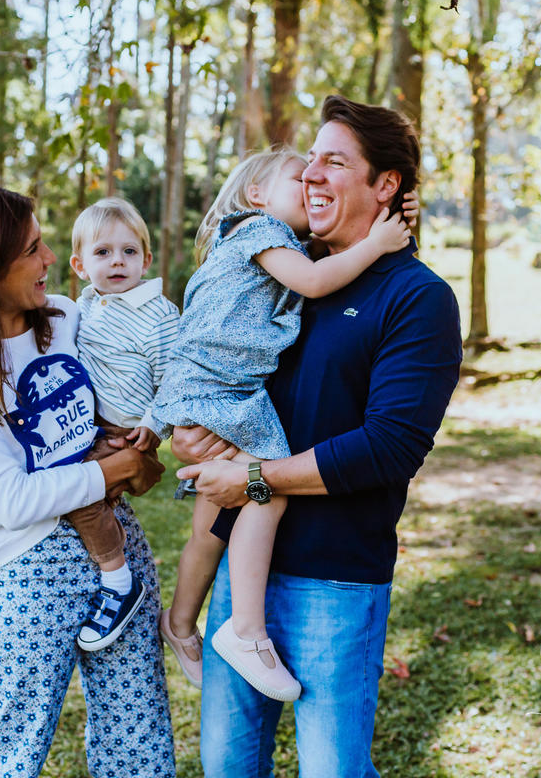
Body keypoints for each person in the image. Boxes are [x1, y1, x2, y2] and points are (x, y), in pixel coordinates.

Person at [174, 96, 462, 776]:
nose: (311, 174)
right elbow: (219, 356)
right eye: (309, 161)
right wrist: (196, 432)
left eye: (334, 162)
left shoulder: (417, 298)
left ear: (386, 185)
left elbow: (390, 446)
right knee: (226, 768)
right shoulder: (280, 272)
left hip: (335, 580)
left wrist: (252, 478)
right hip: (239, 575)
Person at [0, 183, 176, 777]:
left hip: (116, 547)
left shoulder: (69, 319)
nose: (51, 258)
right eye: (33, 248)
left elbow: (131, 417)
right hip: (27, 570)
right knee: (5, 754)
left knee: (138, 740)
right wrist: (110, 472)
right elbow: (10, 499)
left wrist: (137, 453)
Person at [151, 147, 412, 702]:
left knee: (210, 522)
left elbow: (334, 240)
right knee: (266, 492)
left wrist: (394, 215)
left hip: (205, 384)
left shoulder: (257, 239)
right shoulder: (259, 232)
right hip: (226, 392)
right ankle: (245, 631)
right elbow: (318, 280)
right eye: (300, 177)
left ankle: (178, 623)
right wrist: (376, 242)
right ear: (257, 196)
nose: (313, 182)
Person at [65, 197, 181, 652]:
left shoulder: (157, 314)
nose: (117, 261)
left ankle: (117, 580)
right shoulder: (85, 305)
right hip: (88, 426)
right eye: (103, 252)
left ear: (146, 259)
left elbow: (176, 377)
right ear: (80, 265)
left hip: (127, 431)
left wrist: (156, 425)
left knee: (80, 495)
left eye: (129, 252)